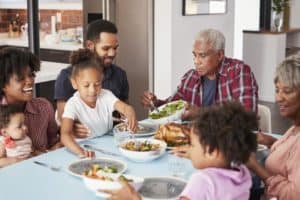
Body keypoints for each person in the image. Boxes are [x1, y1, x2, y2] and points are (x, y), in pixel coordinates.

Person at [102, 102, 258, 200]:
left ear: (211, 151)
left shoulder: (203, 182)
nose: (190, 149)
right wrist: (197, 155)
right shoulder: (242, 173)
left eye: (193, 145)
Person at [142, 28, 258, 119]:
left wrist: (200, 113)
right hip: (200, 141)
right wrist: (155, 103)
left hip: (233, 142)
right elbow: (172, 107)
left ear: (220, 55)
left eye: (202, 55)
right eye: (195, 55)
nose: (196, 61)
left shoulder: (239, 71)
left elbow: (247, 115)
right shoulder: (190, 77)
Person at [54, 19, 129, 137]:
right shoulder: (66, 76)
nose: (112, 53)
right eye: (106, 48)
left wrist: (126, 118)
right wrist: (73, 129)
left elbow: (124, 110)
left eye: (115, 48)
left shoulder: (120, 74)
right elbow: (62, 119)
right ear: (90, 45)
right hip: (83, 142)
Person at [60, 49, 137, 158]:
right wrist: (80, 151)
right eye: (86, 85)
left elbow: (124, 108)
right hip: (83, 148)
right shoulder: (73, 104)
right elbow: (65, 135)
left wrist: (130, 111)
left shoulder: (106, 95)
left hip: (107, 146)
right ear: (74, 83)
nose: (92, 90)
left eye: (97, 84)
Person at [247, 54, 300, 200]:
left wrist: (256, 167)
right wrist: (270, 141)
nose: (278, 98)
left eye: (287, 91)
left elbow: (293, 195)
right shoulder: (295, 127)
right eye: (277, 90)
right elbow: (290, 156)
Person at [0, 47, 60, 153]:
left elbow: (54, 143)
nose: (29, 81)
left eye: (31, 75)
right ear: (3, 85)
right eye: (20, 78)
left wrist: (68, 133)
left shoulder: (44, 107)